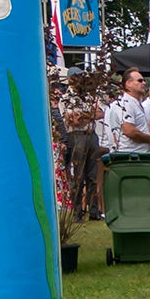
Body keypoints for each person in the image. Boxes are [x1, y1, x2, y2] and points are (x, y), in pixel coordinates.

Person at [60, 66, 103, 219]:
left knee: (92, 175)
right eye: (77, 76)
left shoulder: (88, 96)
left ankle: (93, 211)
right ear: (71, 79)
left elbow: (99, 113)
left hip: (91, 135)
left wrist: (84, 115)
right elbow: (72, 119)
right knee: (78, 175)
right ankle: (78, 212)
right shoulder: (66, 98)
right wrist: (88, 115)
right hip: (76, 136)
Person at [113, 68, 150, 154]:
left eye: (144, 80)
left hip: (139, 155)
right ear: (128, 83)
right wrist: (149, 139)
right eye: (140, 81)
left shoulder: (135, 103)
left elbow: (142, 129)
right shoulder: (126, 104)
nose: (144, 83)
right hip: (132, 158)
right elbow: (129, 131)